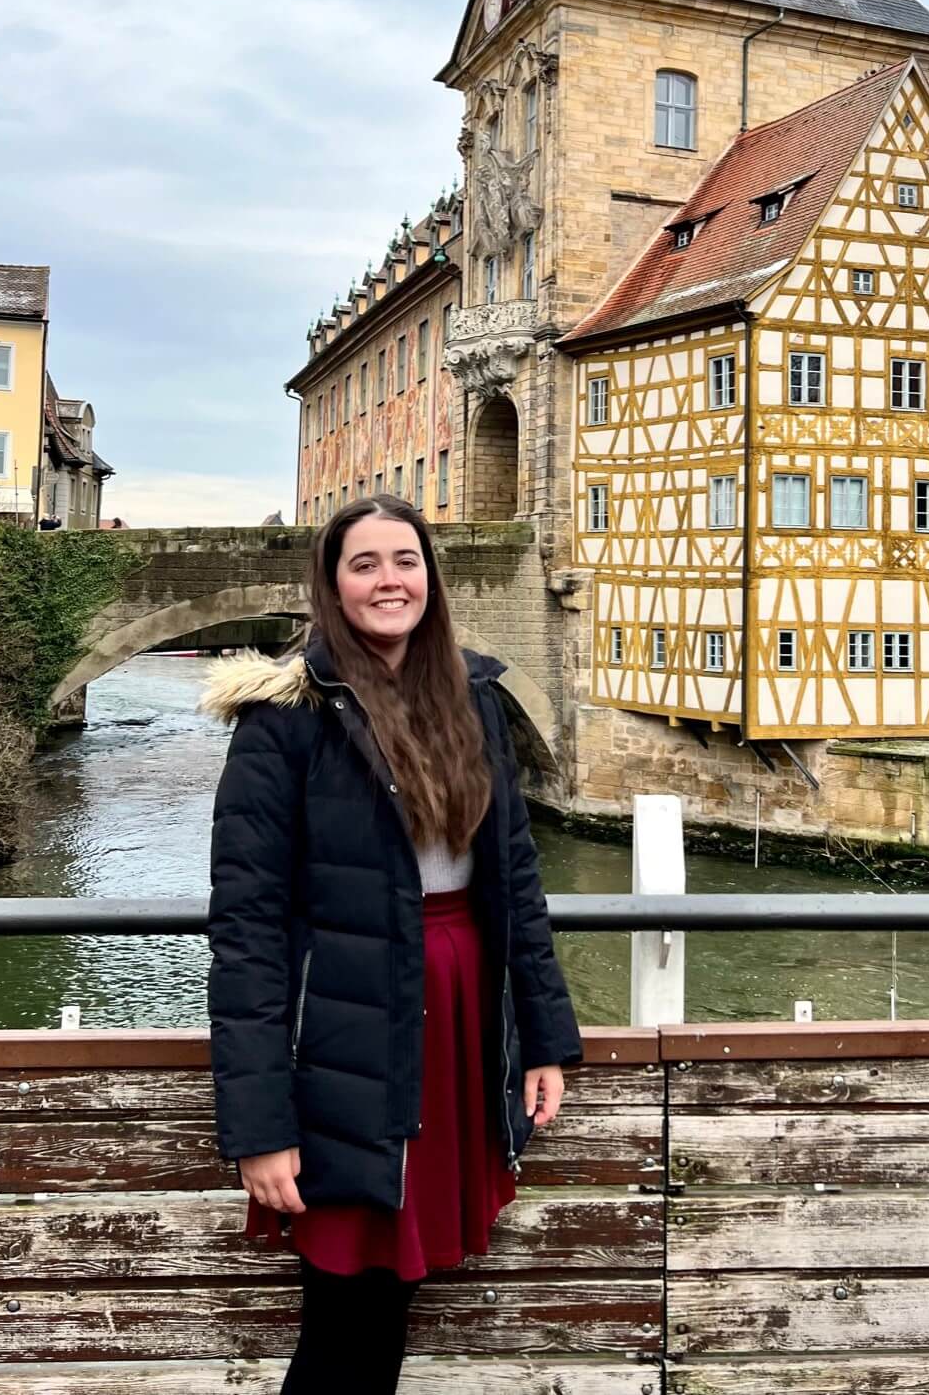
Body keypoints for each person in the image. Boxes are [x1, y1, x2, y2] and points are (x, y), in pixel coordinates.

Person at [202, 495, 583, 1392]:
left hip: (456, 1014)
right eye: (364, 563)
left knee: (392, 1301)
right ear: (331, 585)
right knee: (345, 1310)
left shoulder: (475, 698)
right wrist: (260, 1127)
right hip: (345, 1031)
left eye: (404, 560)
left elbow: (514, 883)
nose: (388, 580)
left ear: (430, 578)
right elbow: (248, 928)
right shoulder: (286, 716)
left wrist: (547, 1040)